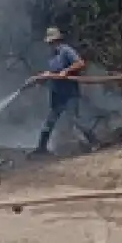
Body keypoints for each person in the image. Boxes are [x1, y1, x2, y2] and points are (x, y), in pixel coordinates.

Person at [31, 27, 99, 157]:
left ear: (57, 40)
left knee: (74, 119)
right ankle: (41, 148)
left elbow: (80, 63)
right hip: (57, 94)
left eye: (52, 42)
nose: (51, 45)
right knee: (50, 120)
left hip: (69, 93)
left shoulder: (66, 50)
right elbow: (53, 72)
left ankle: (95, 141)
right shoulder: (52, 55)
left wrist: (66, 71)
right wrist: (42, 77)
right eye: (49, 43)